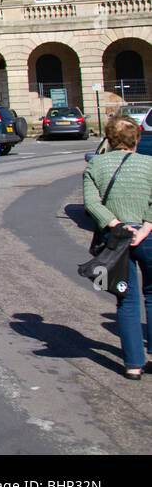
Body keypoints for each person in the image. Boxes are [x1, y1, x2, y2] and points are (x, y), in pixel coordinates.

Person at [83, 116, 152, 379]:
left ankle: (134, 364)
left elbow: (91, 203)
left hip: (115, 240)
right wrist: (145, 227)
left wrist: (116, 225)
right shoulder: (149, 164)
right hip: (148, 236)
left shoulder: (95, 165)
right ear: (137, 138)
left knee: (126, 301)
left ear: (109, 140)